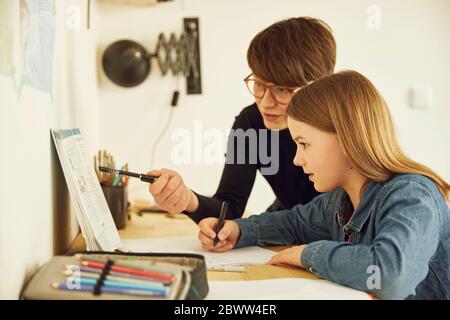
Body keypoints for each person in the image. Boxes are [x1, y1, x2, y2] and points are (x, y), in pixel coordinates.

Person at [197, 70, 450, 300]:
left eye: (304, 144)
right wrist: (238, 231)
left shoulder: (413, 197)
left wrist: (309, 254)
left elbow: (389, 275)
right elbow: (293, 222)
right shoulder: (340, 199)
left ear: (347, 140)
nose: (297, 159)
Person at [147, 17, 336, 223]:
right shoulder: (252, 124)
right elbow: (229, 207)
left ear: (319, 85)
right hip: (289, 224)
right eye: (259, 85)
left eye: (281, 90)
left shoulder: (351, 124)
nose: (265, 103)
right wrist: (186, 199)